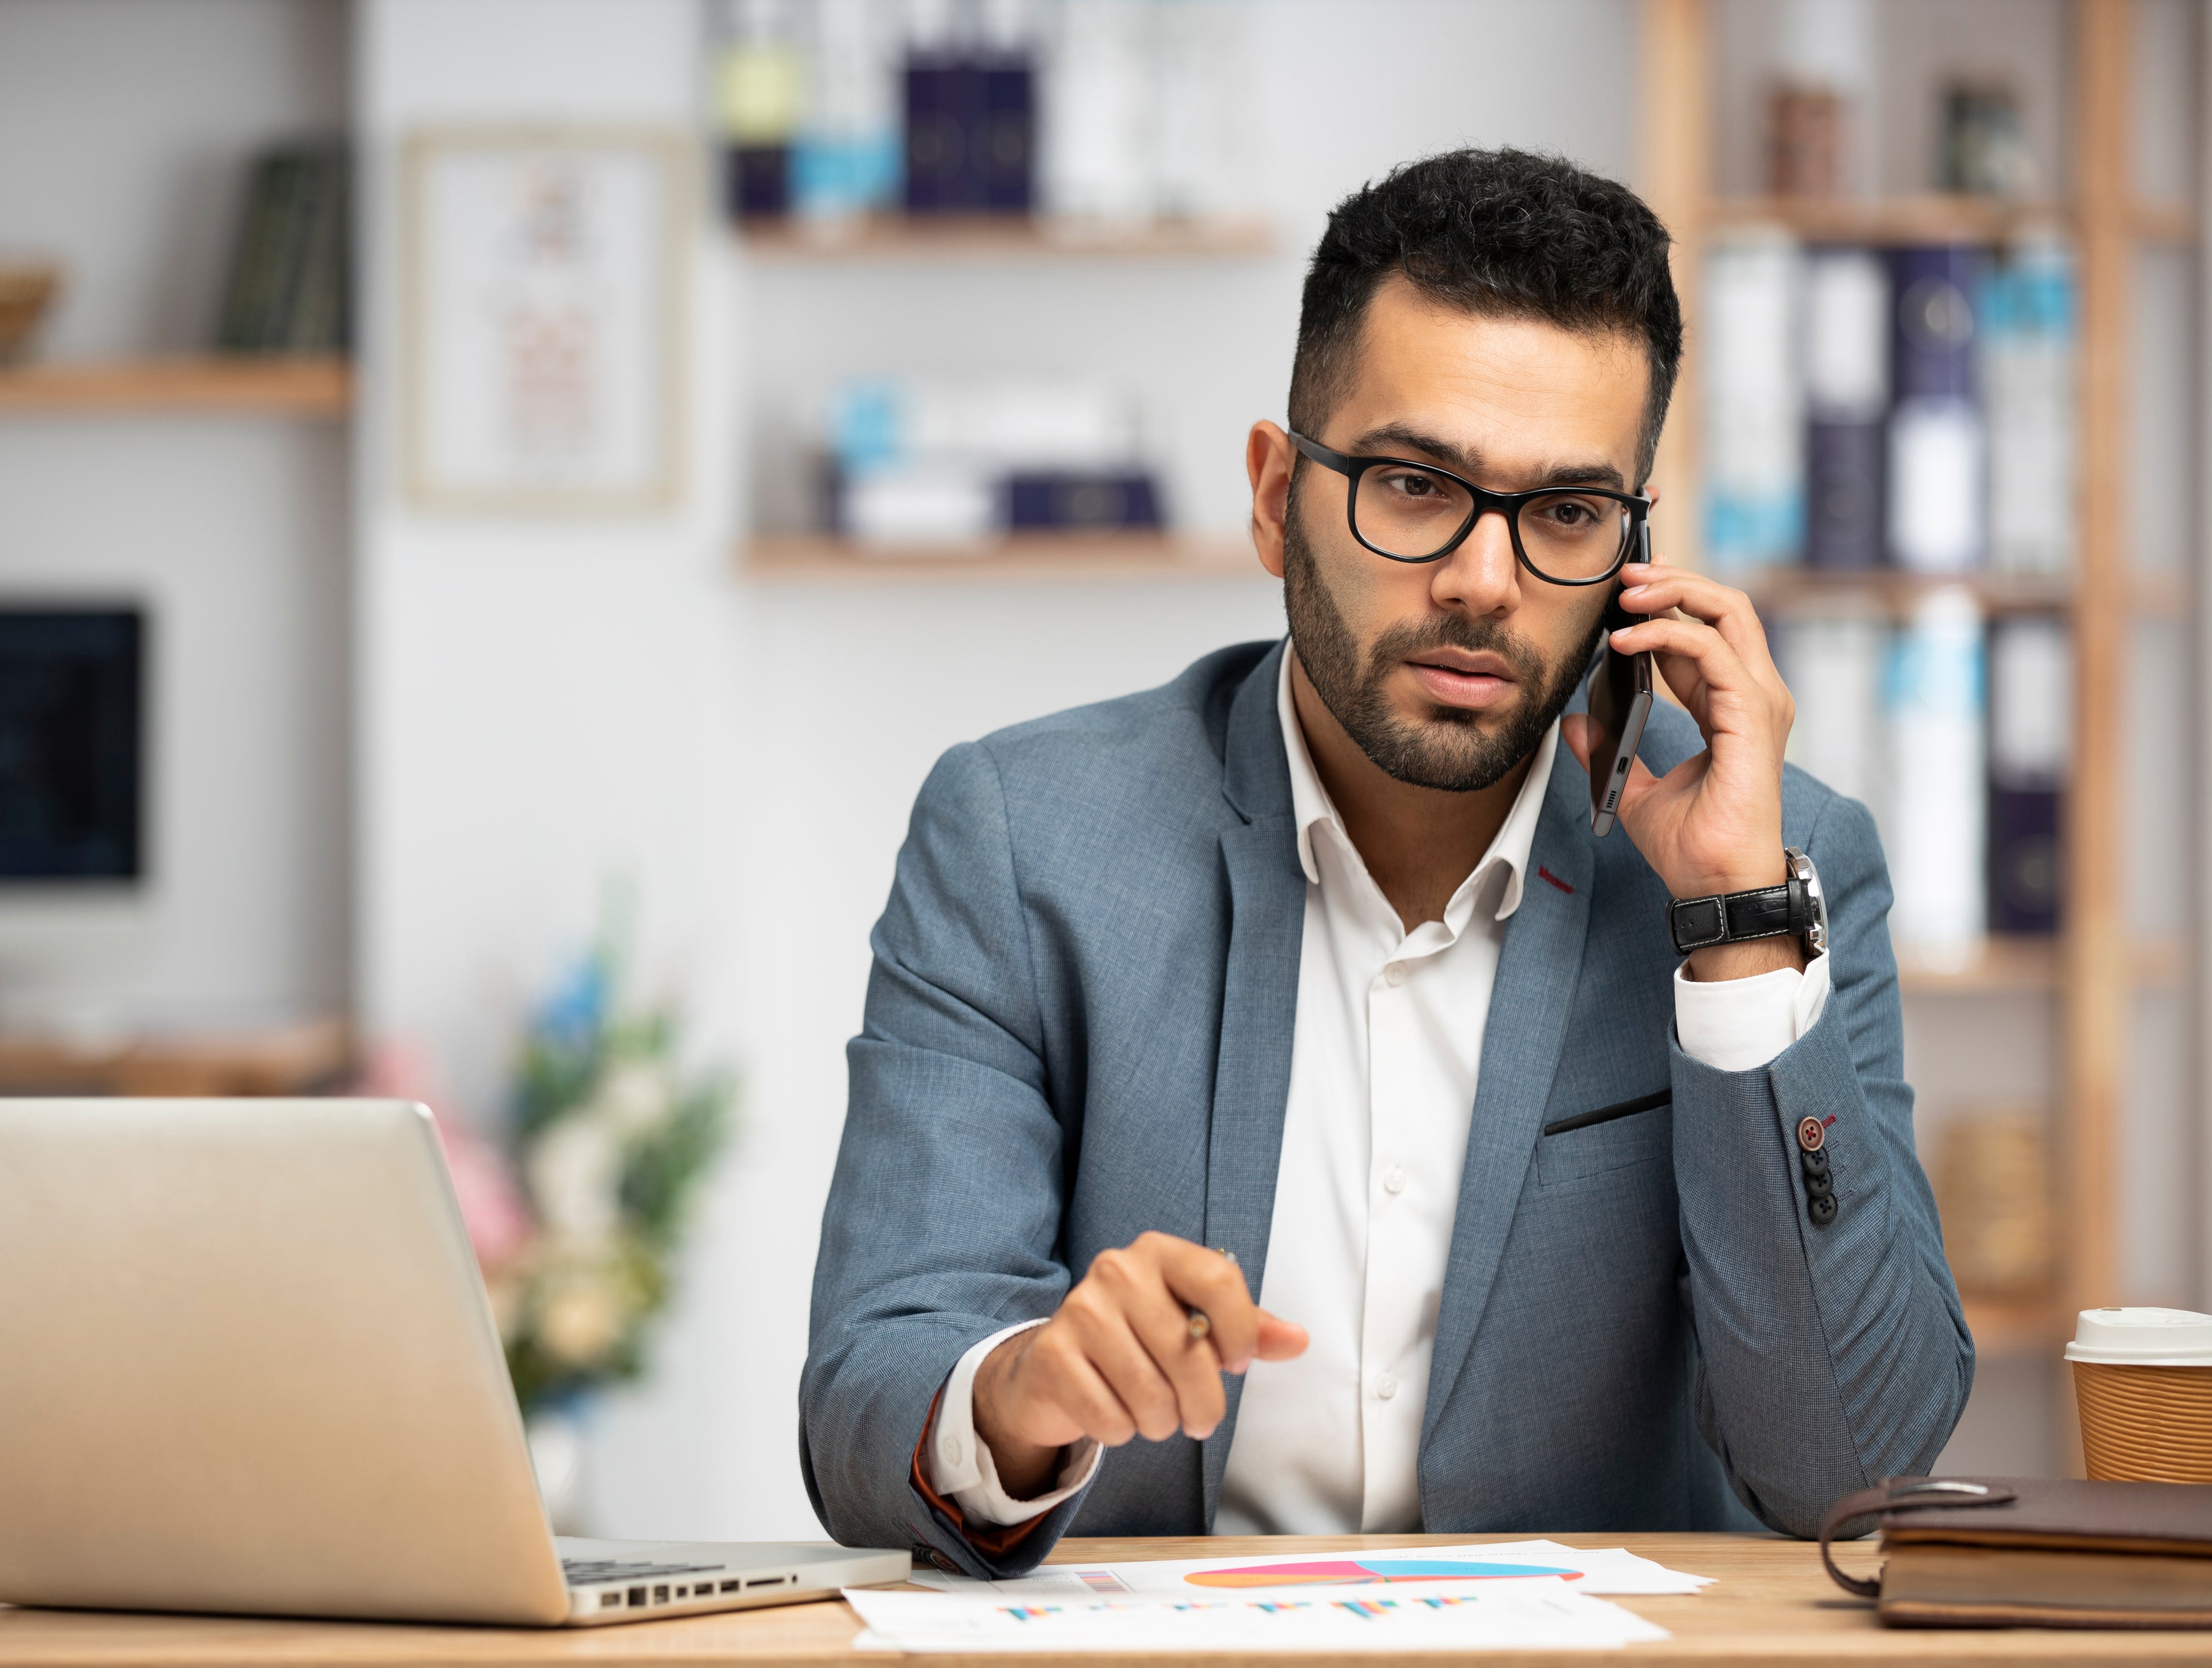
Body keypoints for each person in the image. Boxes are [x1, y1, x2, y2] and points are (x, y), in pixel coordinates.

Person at [799, 148, 1970, 1577]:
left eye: (1565, 513)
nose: (1486, 580)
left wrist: (1735, 928)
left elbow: (1856, 1466)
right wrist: (1021, 1393)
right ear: (1276, 494)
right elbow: (869, 1389)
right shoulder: (1023, 838)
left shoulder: (1781, 864)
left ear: (1633, 557)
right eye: (1416, 485)